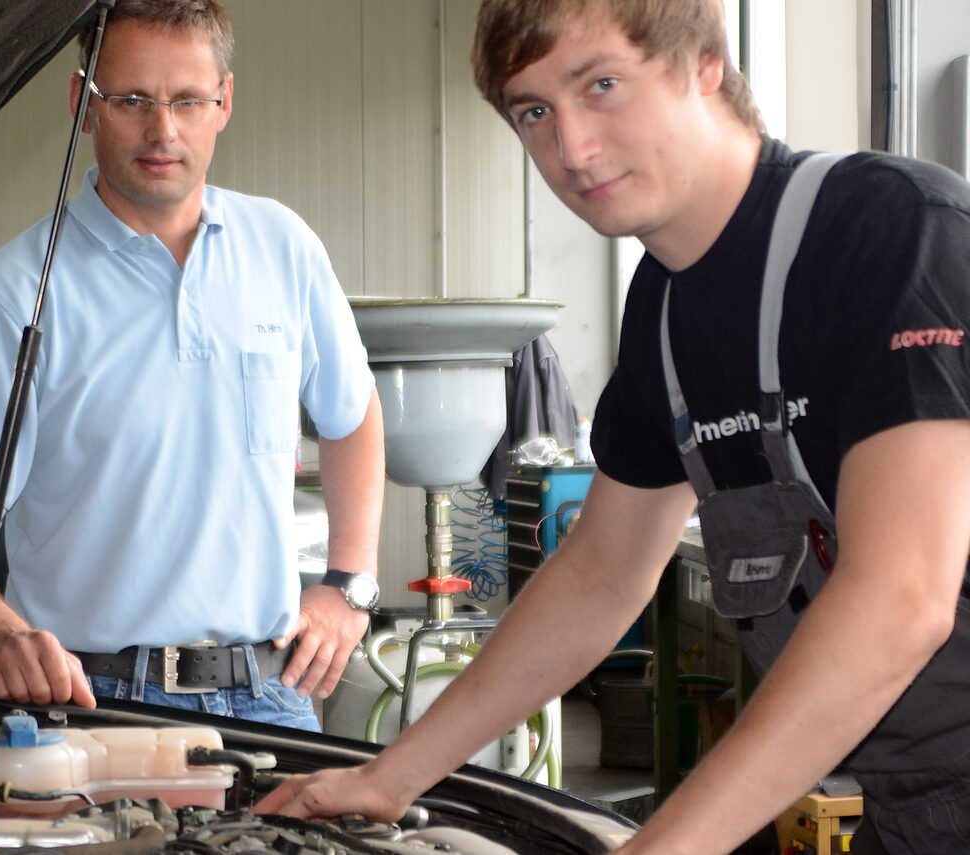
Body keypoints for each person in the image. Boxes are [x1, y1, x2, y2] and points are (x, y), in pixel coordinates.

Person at [257, 0, 970, 851]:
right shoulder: (665, 316)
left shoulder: (891, 234)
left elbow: (902, 597)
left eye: (602, 85)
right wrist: (390, 775)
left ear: (705, 62)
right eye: (534, 112)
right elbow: (600, 574)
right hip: (910, 806)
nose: (571, 149)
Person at [0, 0, 384, 730]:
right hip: (93, 701)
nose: (164, 131)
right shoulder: (15, 293)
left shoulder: (283, 249)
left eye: (188, 100)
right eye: (131, 100)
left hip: (270, 694)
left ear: (223, 101)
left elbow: (353, 414)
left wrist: (349, 584)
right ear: (82, 103)